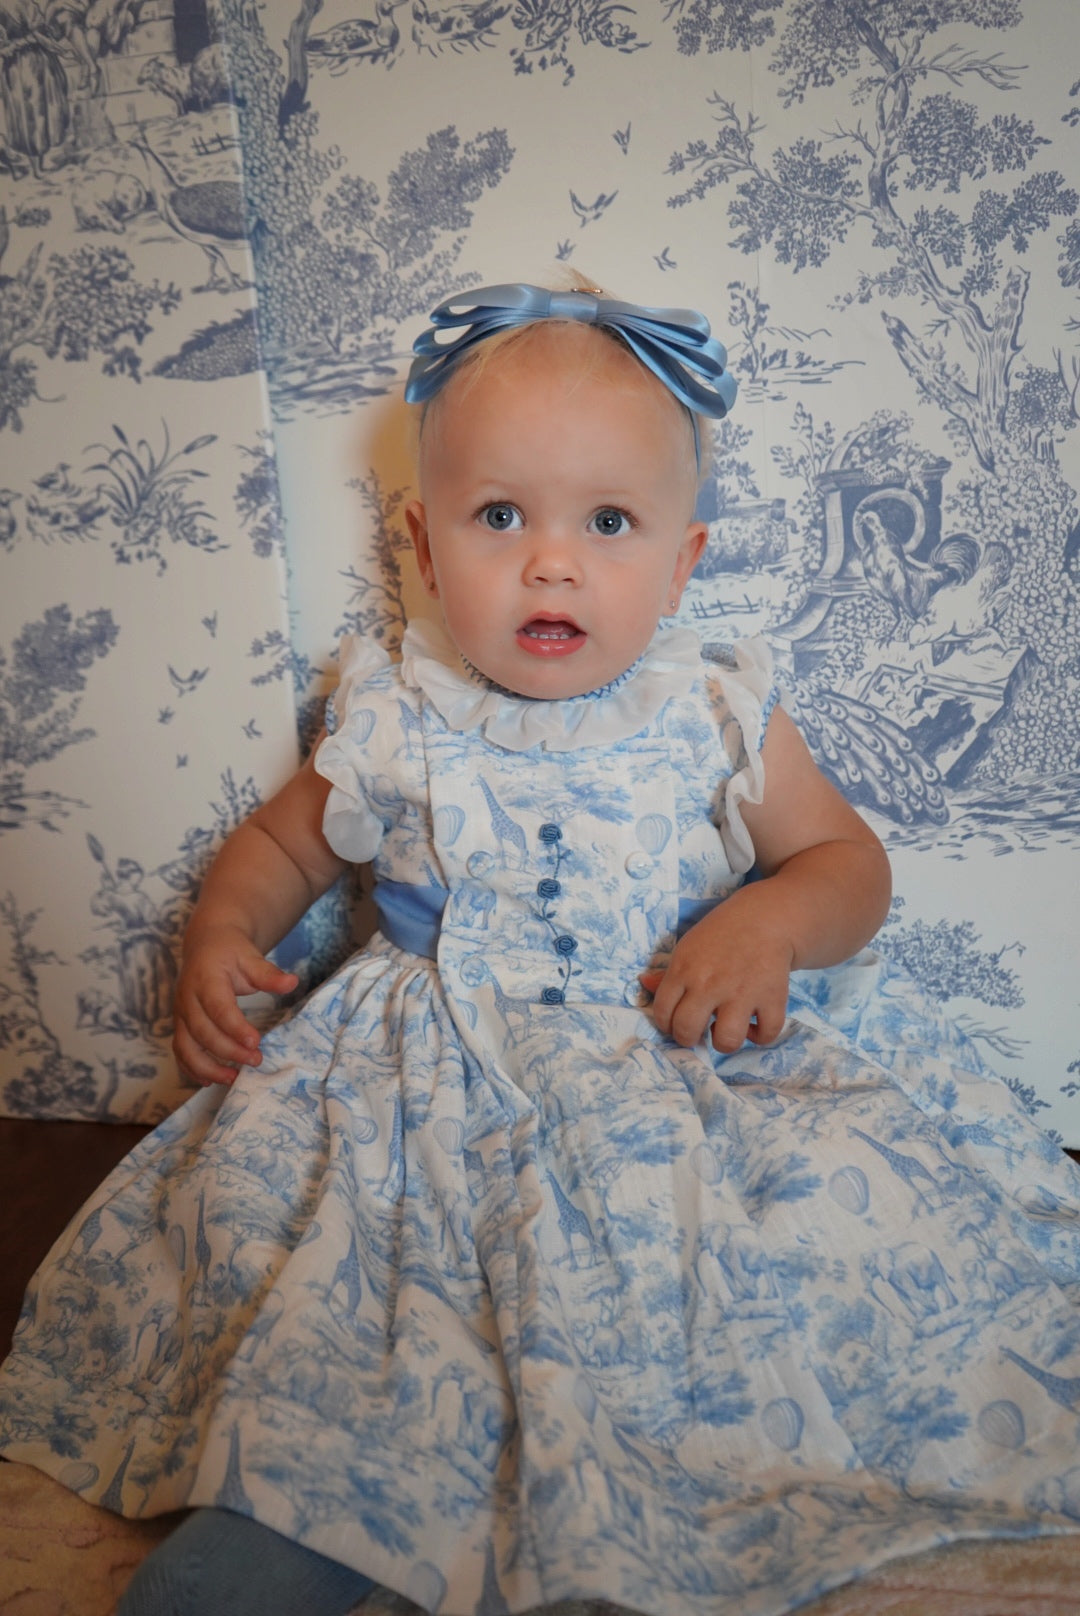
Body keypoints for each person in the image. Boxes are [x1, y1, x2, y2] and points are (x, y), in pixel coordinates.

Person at [1, 281, 1079, 1616]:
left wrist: (766, 921)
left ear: (681, 561)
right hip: (425, 1083)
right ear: (424, 542)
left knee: (744, 1284)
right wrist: (224, 931)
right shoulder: (397, 708)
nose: (551, 563)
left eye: (607, 522)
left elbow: (849, 866)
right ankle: (295, 1508)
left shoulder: (713, 708)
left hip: (674, 1061)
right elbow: (287, 846)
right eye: (501, 516)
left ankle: (643, 1520)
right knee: (358, 1292)